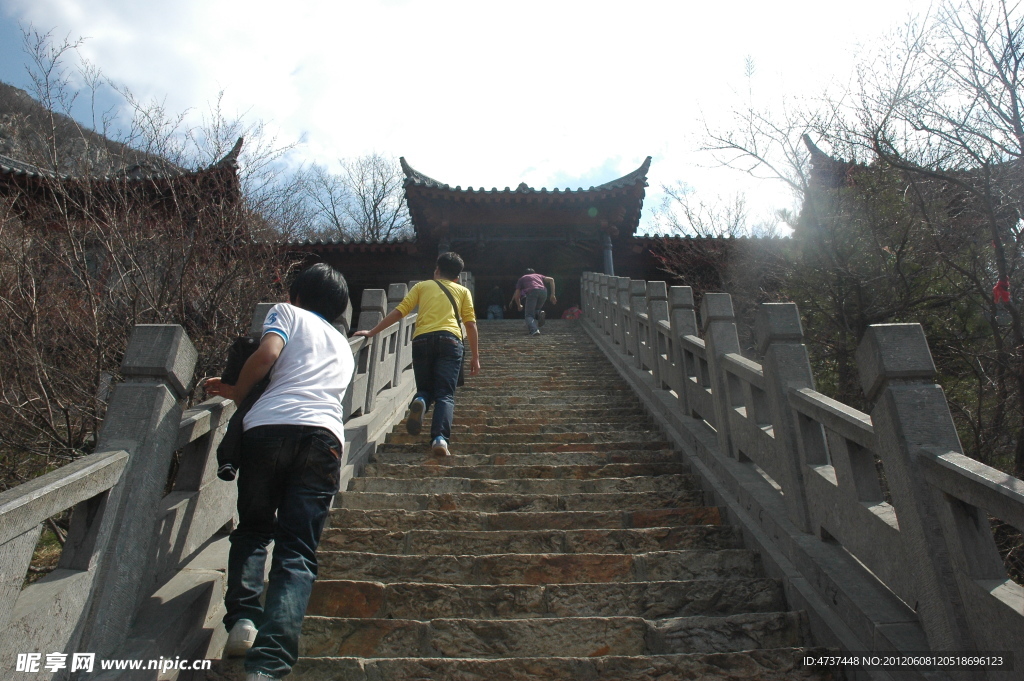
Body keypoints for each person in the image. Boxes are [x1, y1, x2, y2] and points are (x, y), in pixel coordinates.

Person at [204, 263, 354, 681]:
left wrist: (237, 391)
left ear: (297, 296)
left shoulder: (286, 313)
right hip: (324, 439)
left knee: (253, 529)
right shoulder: (344, 346)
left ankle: (243, 623)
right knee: (297, 551)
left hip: (269, 429)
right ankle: (269, 665)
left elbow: (268, 354)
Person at [353, 252, 480, 456]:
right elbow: (471, 325)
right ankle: (439, 439)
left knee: (425, 387)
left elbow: (399, 312)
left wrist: (372, 332)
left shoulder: (422, 286)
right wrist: (475, 356)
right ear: (457, 277)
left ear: (436, 269)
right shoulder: (463, 291)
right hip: (450, 341)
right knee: (445, 394)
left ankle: (420, 399)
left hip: (422, 340)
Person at [513, 268, 556, 335]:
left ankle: (534, 330)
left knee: (529, 315)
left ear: (525, 273)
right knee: (536, 309)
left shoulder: (522, 278)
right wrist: (552, 295)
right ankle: (539, 312)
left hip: (532, 292)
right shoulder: (539, 276)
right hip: (543, 292)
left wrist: (519, 305)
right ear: (534, 273)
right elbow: (551, 279)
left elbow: (517, 294)